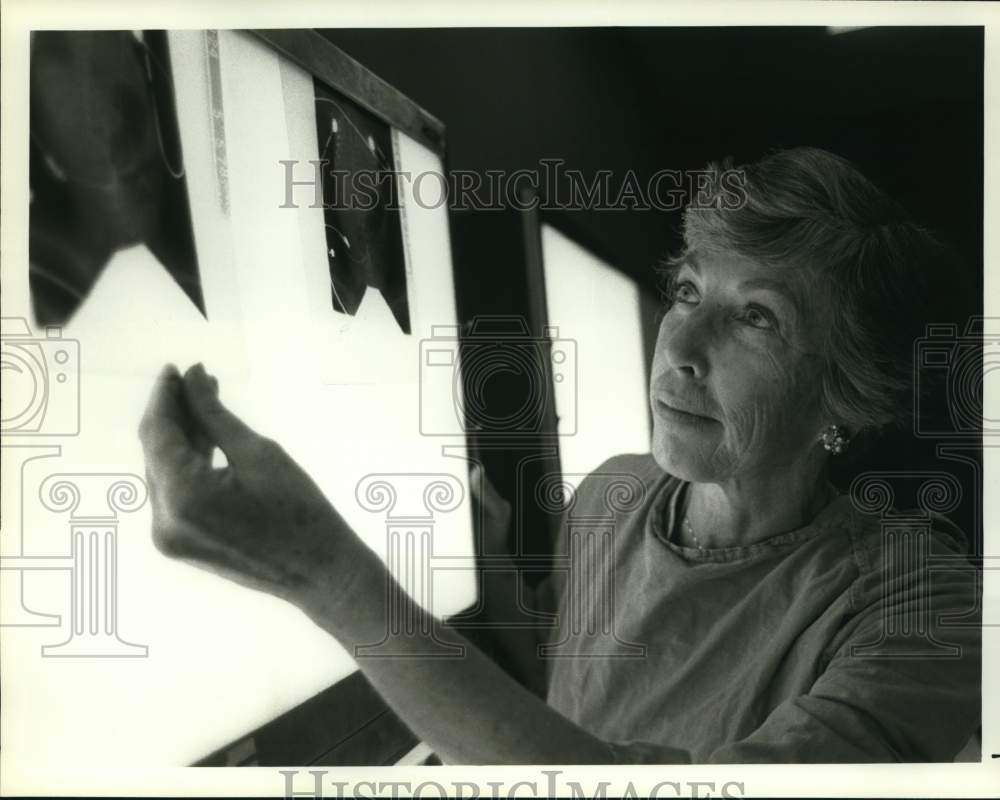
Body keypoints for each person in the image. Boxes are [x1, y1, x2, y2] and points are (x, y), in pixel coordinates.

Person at [138, 147, 981, 763]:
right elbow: (570, 688)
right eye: (688, 290)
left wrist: (326, 577)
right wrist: (500, 574)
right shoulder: (613, 494)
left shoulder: (922, 609)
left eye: (755, 316)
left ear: (847, 392)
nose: (678, 341)